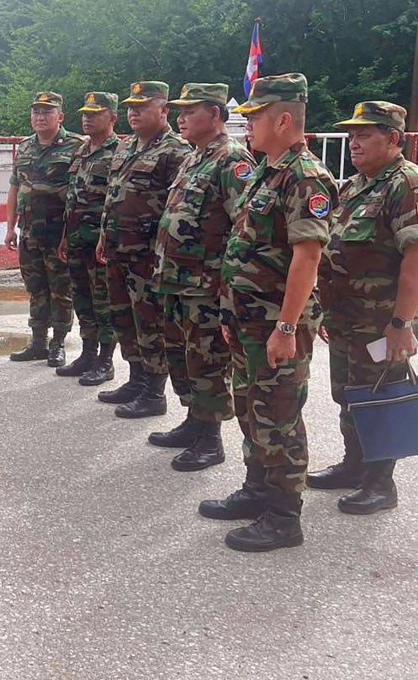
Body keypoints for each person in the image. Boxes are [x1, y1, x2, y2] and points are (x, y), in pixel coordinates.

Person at [198, 73, 337, 552]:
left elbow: (308, 257)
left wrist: (286, 327)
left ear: (283, 119)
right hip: (247, 321)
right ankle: (258, 489)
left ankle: (283, 516)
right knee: (251, 410)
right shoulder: (268, 168)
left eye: (254, 117)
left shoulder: (306, 176)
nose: (247, 125)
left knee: (278, 417)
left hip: (276, 326)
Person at [311, 101, 418, 513]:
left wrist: (401, 322)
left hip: (380, 322)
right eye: (352, 135)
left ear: (393, 139)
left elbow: (414, 257)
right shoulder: (356, 185)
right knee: (348, 394)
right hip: (346, 318)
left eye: (364, 135)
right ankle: (354, 466)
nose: (354, 142)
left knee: (379, 396)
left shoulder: (404, 183)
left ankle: (380, 484)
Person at [152, 83, 255, 471]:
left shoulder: (232, 160)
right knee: (182, 356)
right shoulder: (195, 158)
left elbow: (243, 227)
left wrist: (225, 285)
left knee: (208, 361)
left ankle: (211, 439)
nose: (180, 116)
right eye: (178, 110)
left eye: (190, 110)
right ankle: (195, 421)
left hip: (205, 286)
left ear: (214, 115)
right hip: (178, 281)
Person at [97, 82, 190, 418]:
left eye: (142, 106)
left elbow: (176, 208)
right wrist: (103, 237)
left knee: (151, 323)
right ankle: (136, 379)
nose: (133, 112)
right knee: (125, 319)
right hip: (118, 251)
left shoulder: (174, 150)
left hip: (148, 257)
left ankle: (154, 392)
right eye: (130, 107)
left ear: (164, 111)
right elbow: (114, 195)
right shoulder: (126, 147)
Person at [5, 92, 85, 367]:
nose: (40, 117)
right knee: (36, 287)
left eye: (47, 112)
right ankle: (38, 341)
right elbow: (15, 188)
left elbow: (78, 194)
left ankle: (58, 343)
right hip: (29, 232)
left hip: (58, 234)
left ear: (60, 117)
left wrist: (68, 234)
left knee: (61, 289)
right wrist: (10, 227)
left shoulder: (76, 146)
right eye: (36, 112)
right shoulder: (25, 146)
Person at [57, 92, 120, 385]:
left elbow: (116, 201)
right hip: (76, 239)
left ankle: (106, 361)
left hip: (100, 243)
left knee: (103, 301)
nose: (87, 118)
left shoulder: (119, 151)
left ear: (113, 118)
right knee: (82, 299)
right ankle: (88, 353)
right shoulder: (81, 150)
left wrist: (106, 238)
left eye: (95, 113)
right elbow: (71, 199)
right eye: (85, 113)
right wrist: (65, 238)